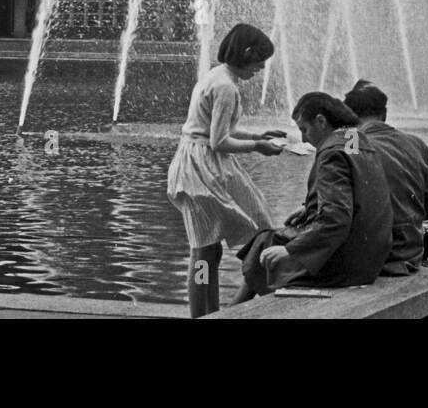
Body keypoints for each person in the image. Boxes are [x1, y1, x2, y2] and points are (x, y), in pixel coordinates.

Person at [166, 23, 287, 317]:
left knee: (209, 249)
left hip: (203, 163)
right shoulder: (225, 87)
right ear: (247, 53)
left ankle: (212, 311)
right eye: (260, 62)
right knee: (204, 251)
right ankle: (202, 313)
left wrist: (258, 137)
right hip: (201, 169)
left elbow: (216, 131)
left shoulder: (217, 76)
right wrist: (258, 147)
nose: (260, 69)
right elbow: (219, 141)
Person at [237, 92, 392, 299]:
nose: (303, 139)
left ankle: (236, 309)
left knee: (266, 243)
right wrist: (310, 206)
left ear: (321, 121)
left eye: (304, 129)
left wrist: (292, 250)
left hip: (344, 267)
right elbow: (357, 190)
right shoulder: (356, 140)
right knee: (272, 242)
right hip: (369, 259)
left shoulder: (332, 153)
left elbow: (336, 220)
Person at [345, 80, 428, 274]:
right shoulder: (416, 143)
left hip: (369, 258)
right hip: (410, 254)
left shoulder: (351, 142)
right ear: (385, 113)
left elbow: (340, 209)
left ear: (349, 115)